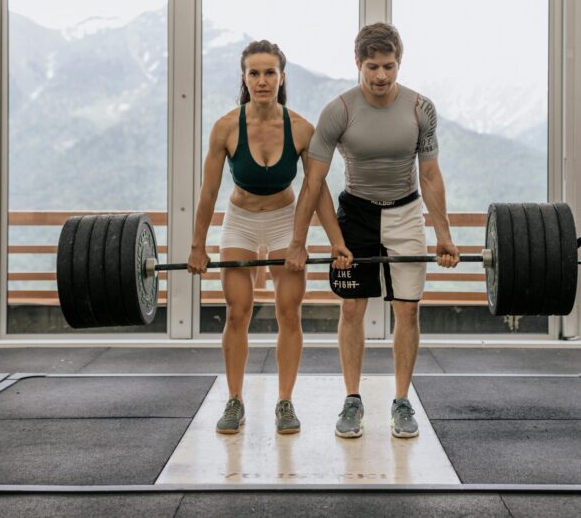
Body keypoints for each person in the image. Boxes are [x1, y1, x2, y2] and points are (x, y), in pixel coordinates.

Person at [285, 22, 459, 439]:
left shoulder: (421, 109)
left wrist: (444, 235)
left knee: (408, 310)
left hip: (405, 211)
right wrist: (299, 242)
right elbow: (313, 182)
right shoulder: (339, 111)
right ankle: (352, 400)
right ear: (357, 63)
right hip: (356, 214)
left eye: (389, 66)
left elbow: (431, 175)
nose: (381, 75)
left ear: (399, 63)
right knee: (351, 308)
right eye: (373, 67)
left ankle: (401, 401)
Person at [188, 40, 350, 436]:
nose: (262, 81)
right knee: (237, 312)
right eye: (254, 73)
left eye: (270, 73)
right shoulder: (226, 127)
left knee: (288, 312)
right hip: (241, 219)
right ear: (244, 78)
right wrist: (197, 246)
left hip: (284, 219)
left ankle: (284, 401)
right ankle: (235, 400)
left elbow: (318, 189)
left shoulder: (301, 129)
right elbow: (208, 192)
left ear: (282, 77)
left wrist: (336, 242)